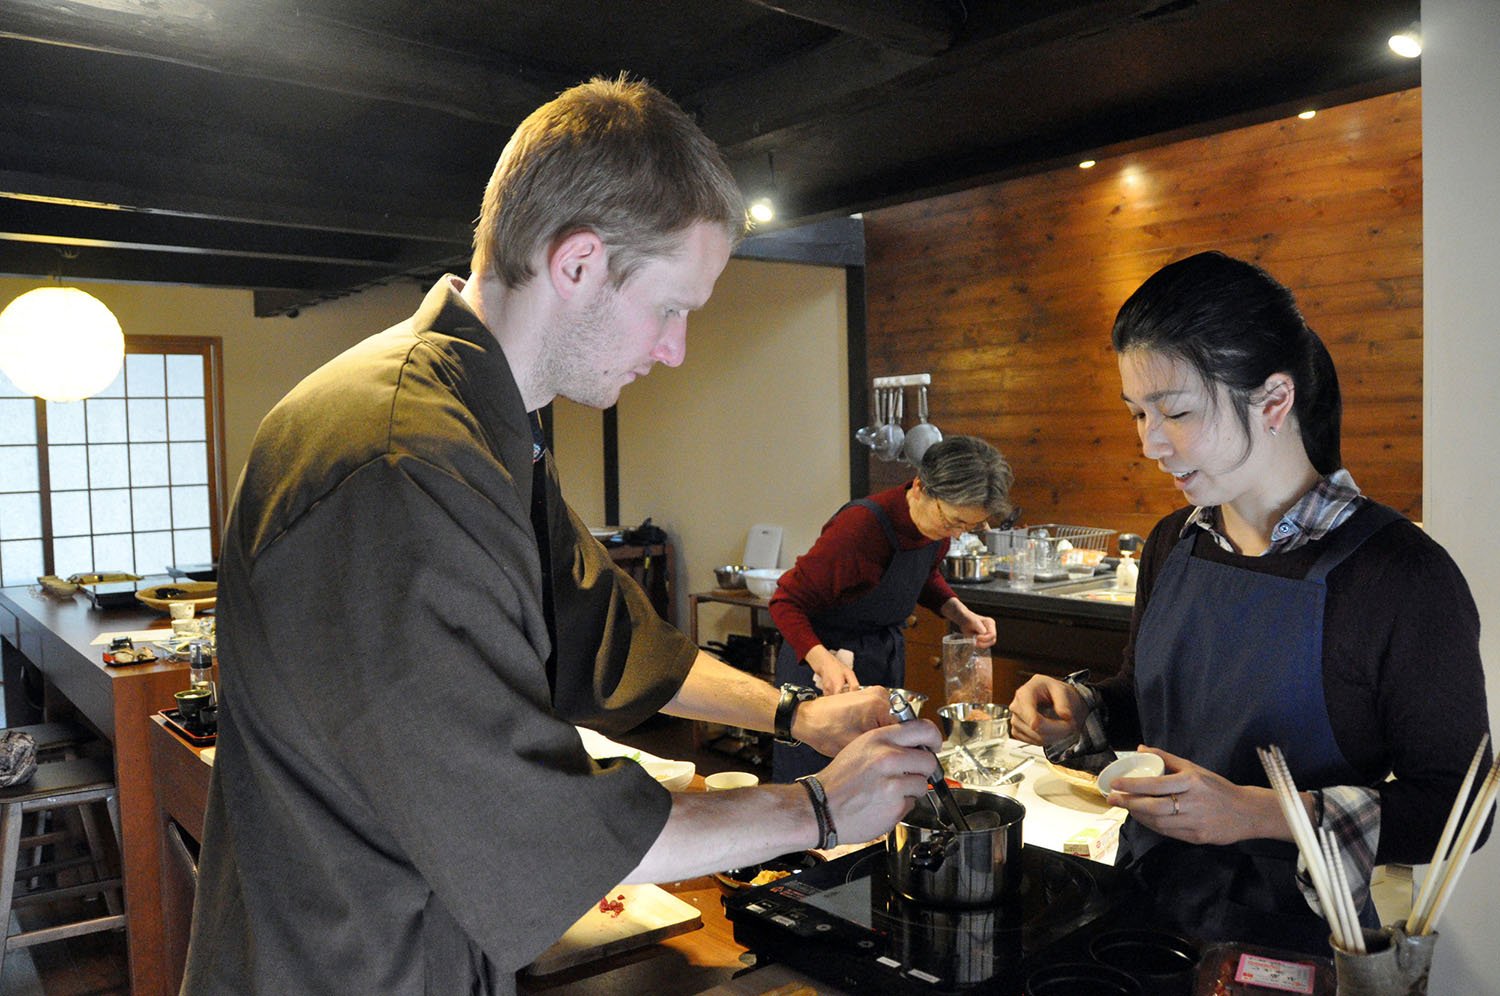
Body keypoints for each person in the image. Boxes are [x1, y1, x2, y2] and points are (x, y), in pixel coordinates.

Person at [182, 76, 941, 995]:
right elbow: (524, 821)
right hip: (349, 960)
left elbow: (612, 638)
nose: (676, 349)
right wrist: (818, 808)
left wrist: (794, 715)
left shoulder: (477, 422)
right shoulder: (398, 457)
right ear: (577, 263)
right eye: (673, 308)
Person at [1009, 251, 1490, 952]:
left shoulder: (1402, 576)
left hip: (1295, 942)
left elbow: (1462, 807)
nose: (1148, 443)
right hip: (1147, 912)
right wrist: (1084, 710)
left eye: (1174, 411)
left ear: (1273, 402)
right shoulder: (1175, 541)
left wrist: (1258, 813)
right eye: (1137, 412)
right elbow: (1155, 706)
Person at [769, 435, 1013, 781]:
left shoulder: (935, 527)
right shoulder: (860, 527)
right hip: (821, 668)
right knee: (818, 786)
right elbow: (785, 601)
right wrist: (823, 663)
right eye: (954, 522)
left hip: (880, 660)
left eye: (969, 526)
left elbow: (923, 576)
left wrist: (961, 614)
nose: (958, 535)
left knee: (876, 780)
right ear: (919, 488)